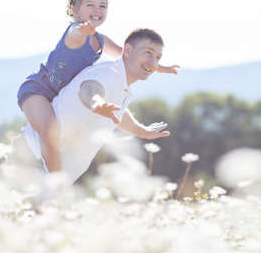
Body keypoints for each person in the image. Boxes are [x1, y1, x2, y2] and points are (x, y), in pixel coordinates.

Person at [17, 0, 179, 173]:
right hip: (39, 90)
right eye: (90, 5)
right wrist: (81, 30)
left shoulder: (101, 40)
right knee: (51, 132)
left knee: (55, 131)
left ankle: (55, 182)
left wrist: (159, 67)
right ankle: (55, 181)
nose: (97, 10)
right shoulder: (75, 31)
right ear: (74, 10)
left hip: (58, 93)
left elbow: (126, 55)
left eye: (102, 6)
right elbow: (73, 35)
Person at [22, 28, 171, 183]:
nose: (153, 62)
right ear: (127, 51)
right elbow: (89, 89)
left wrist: (142, 131)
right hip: (32, 163)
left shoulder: (120, 84)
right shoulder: (108, 73)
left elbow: (117, 113)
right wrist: (96, 103)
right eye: (148, 53)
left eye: (158, 57)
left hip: (48, 174)